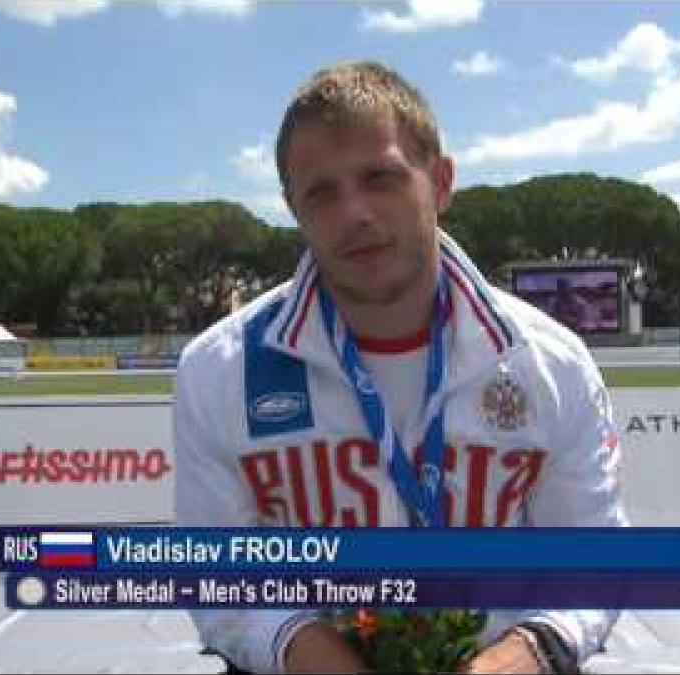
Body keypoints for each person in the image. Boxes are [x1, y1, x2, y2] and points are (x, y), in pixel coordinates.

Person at [171, 61, 626, 674]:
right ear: (293, 208)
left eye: (380, 177)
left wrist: (527, 653)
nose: (354, 212)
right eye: (321, 192)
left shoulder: (552, 362)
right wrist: (308, 652)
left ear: (439, 181)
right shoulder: (219, 370)